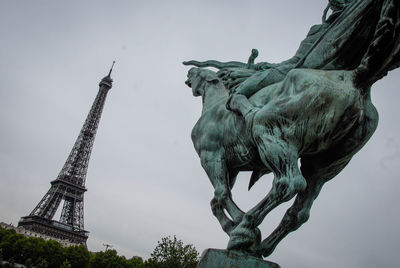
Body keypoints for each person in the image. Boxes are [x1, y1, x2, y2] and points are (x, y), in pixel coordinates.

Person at [224, 0, 355, 116]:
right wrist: (270, 65)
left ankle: (237, 96)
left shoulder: (320, 29)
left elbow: (297, 61)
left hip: (299, 67)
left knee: (243, 89)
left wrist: (272, 68)